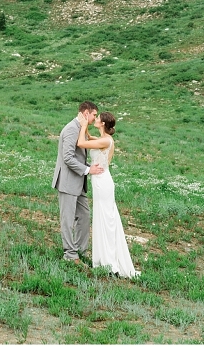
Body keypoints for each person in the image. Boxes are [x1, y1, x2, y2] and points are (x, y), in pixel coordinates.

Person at [77, 111, 140, 278]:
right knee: (102, 217)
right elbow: (90, 139)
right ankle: (106, 258)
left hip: (103, 183)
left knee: (106, 218)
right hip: (100, 181)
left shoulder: (105, 140)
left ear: (103, 123)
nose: (95, 119)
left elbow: (81, 143)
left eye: (97, 118)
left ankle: (109, 261)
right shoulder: (103, 139)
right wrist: (88, 132)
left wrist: (83, 126)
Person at [52, 101, 104, 263]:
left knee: (84, 215)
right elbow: (68, 158)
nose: (95, 117)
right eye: (94, 114)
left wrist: (90, 167)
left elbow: (79, 156)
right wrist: (88, 170)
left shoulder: (81, 129)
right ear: (86, 113)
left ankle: (81, 251)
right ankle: (70, 255)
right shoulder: (71, 129)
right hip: (68, 182)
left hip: (79, 182)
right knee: (67, 219)